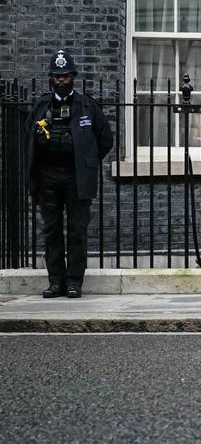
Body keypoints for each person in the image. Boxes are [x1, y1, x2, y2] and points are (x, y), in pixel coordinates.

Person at [25, 49, 113, 298]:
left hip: (76, 178)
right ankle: (55, 281)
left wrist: (87, 162)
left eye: (65, 75)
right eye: (56, 76)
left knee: (77, 230)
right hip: (48, 178)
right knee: (51, 230)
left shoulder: (87, 105)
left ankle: (74, 281)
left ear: (73, 76)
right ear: (51, 77)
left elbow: (105, 138)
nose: (61, 80)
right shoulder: (41, 105)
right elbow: (28, 138)